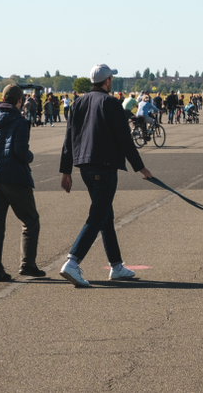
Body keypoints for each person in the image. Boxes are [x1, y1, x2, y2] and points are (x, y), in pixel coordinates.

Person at [58, 64, 152, 287]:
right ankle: (72, 261)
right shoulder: (110, 103)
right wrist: (141, 167)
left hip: (85, 166)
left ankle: (116, 266)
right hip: (104, 166)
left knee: (105, 214)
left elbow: (69, 137)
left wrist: (66, 170)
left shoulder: (79, 101)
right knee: (99, 214)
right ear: (107, 81)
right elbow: (124, 139)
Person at [0, 84, 45, 282]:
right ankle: (27, 264)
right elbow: (19, 150)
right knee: (30, 220)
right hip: (15, 176)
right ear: (19, 101)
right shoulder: (20, 121)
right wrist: (30, 157)